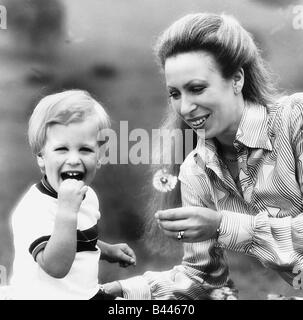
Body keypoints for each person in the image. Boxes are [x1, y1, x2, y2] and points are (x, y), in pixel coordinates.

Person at [103, 12, 303, 300]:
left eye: (197, 89)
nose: (185, 107)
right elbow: (201, 278)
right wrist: (125, 290)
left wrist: (221, 225)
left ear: (236, 79)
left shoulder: (295, 120)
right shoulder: (195, 171)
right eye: (175, 93)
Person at [10, 90, 136, 300]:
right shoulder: (34, 208)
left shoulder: (88, 196)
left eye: (85, 149)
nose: (74, 159)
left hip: (85, 294)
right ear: (41, 156)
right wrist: (67, 211)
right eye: (62, 149)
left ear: (99, 156)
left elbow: (78, 241)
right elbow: (56, 266)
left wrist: (107, 250)